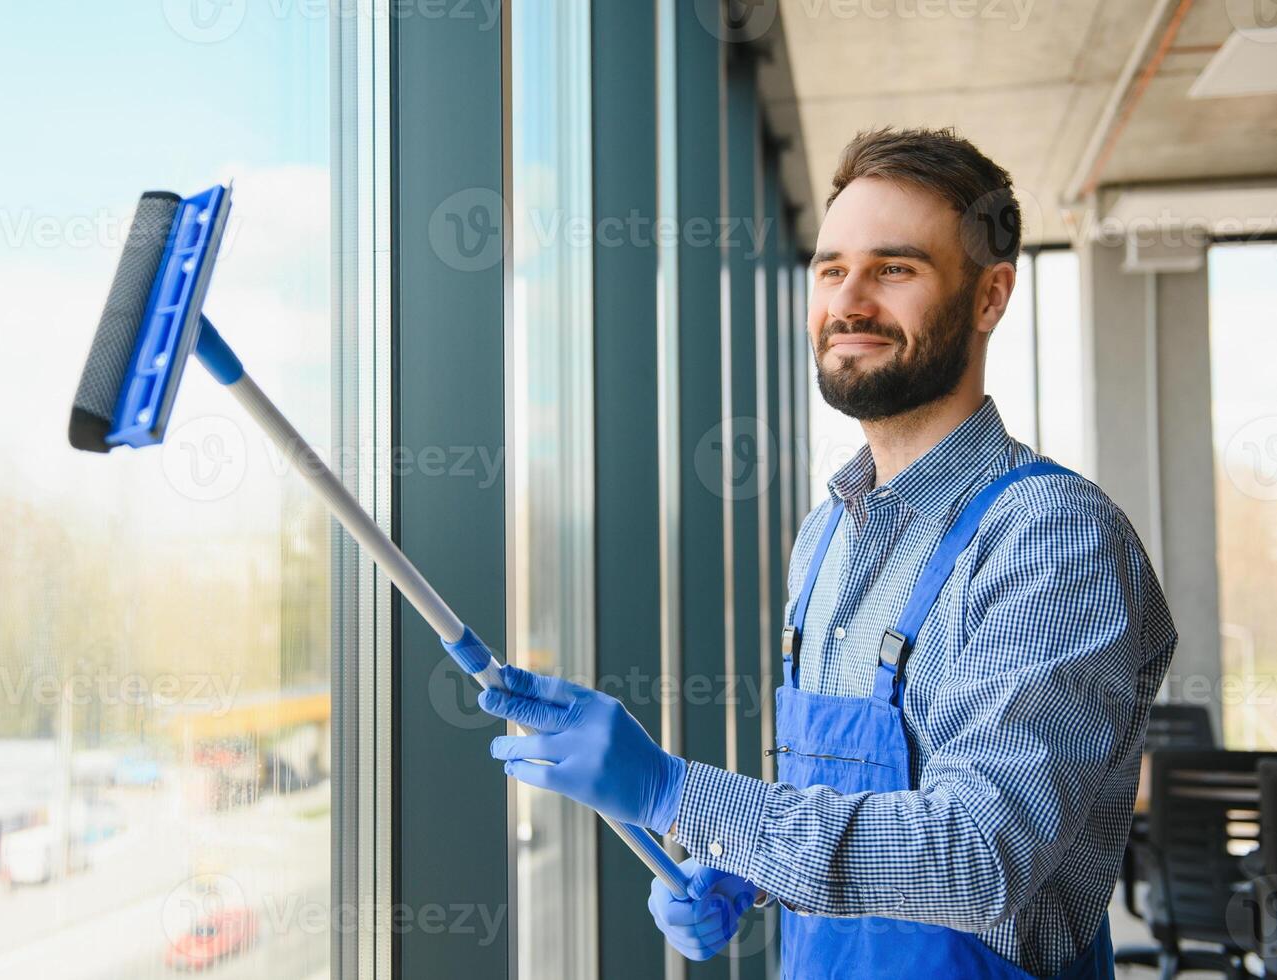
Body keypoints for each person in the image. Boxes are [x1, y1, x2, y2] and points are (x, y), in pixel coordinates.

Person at [479, 127, 1176, 979]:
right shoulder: (827, 538)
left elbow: (980, 857)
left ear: (989, 297)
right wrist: (740, 865)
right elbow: (861, 806)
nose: (849, 301)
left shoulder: (1051, 538)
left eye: (893, 268)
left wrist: (676, 793)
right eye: (829, 268)